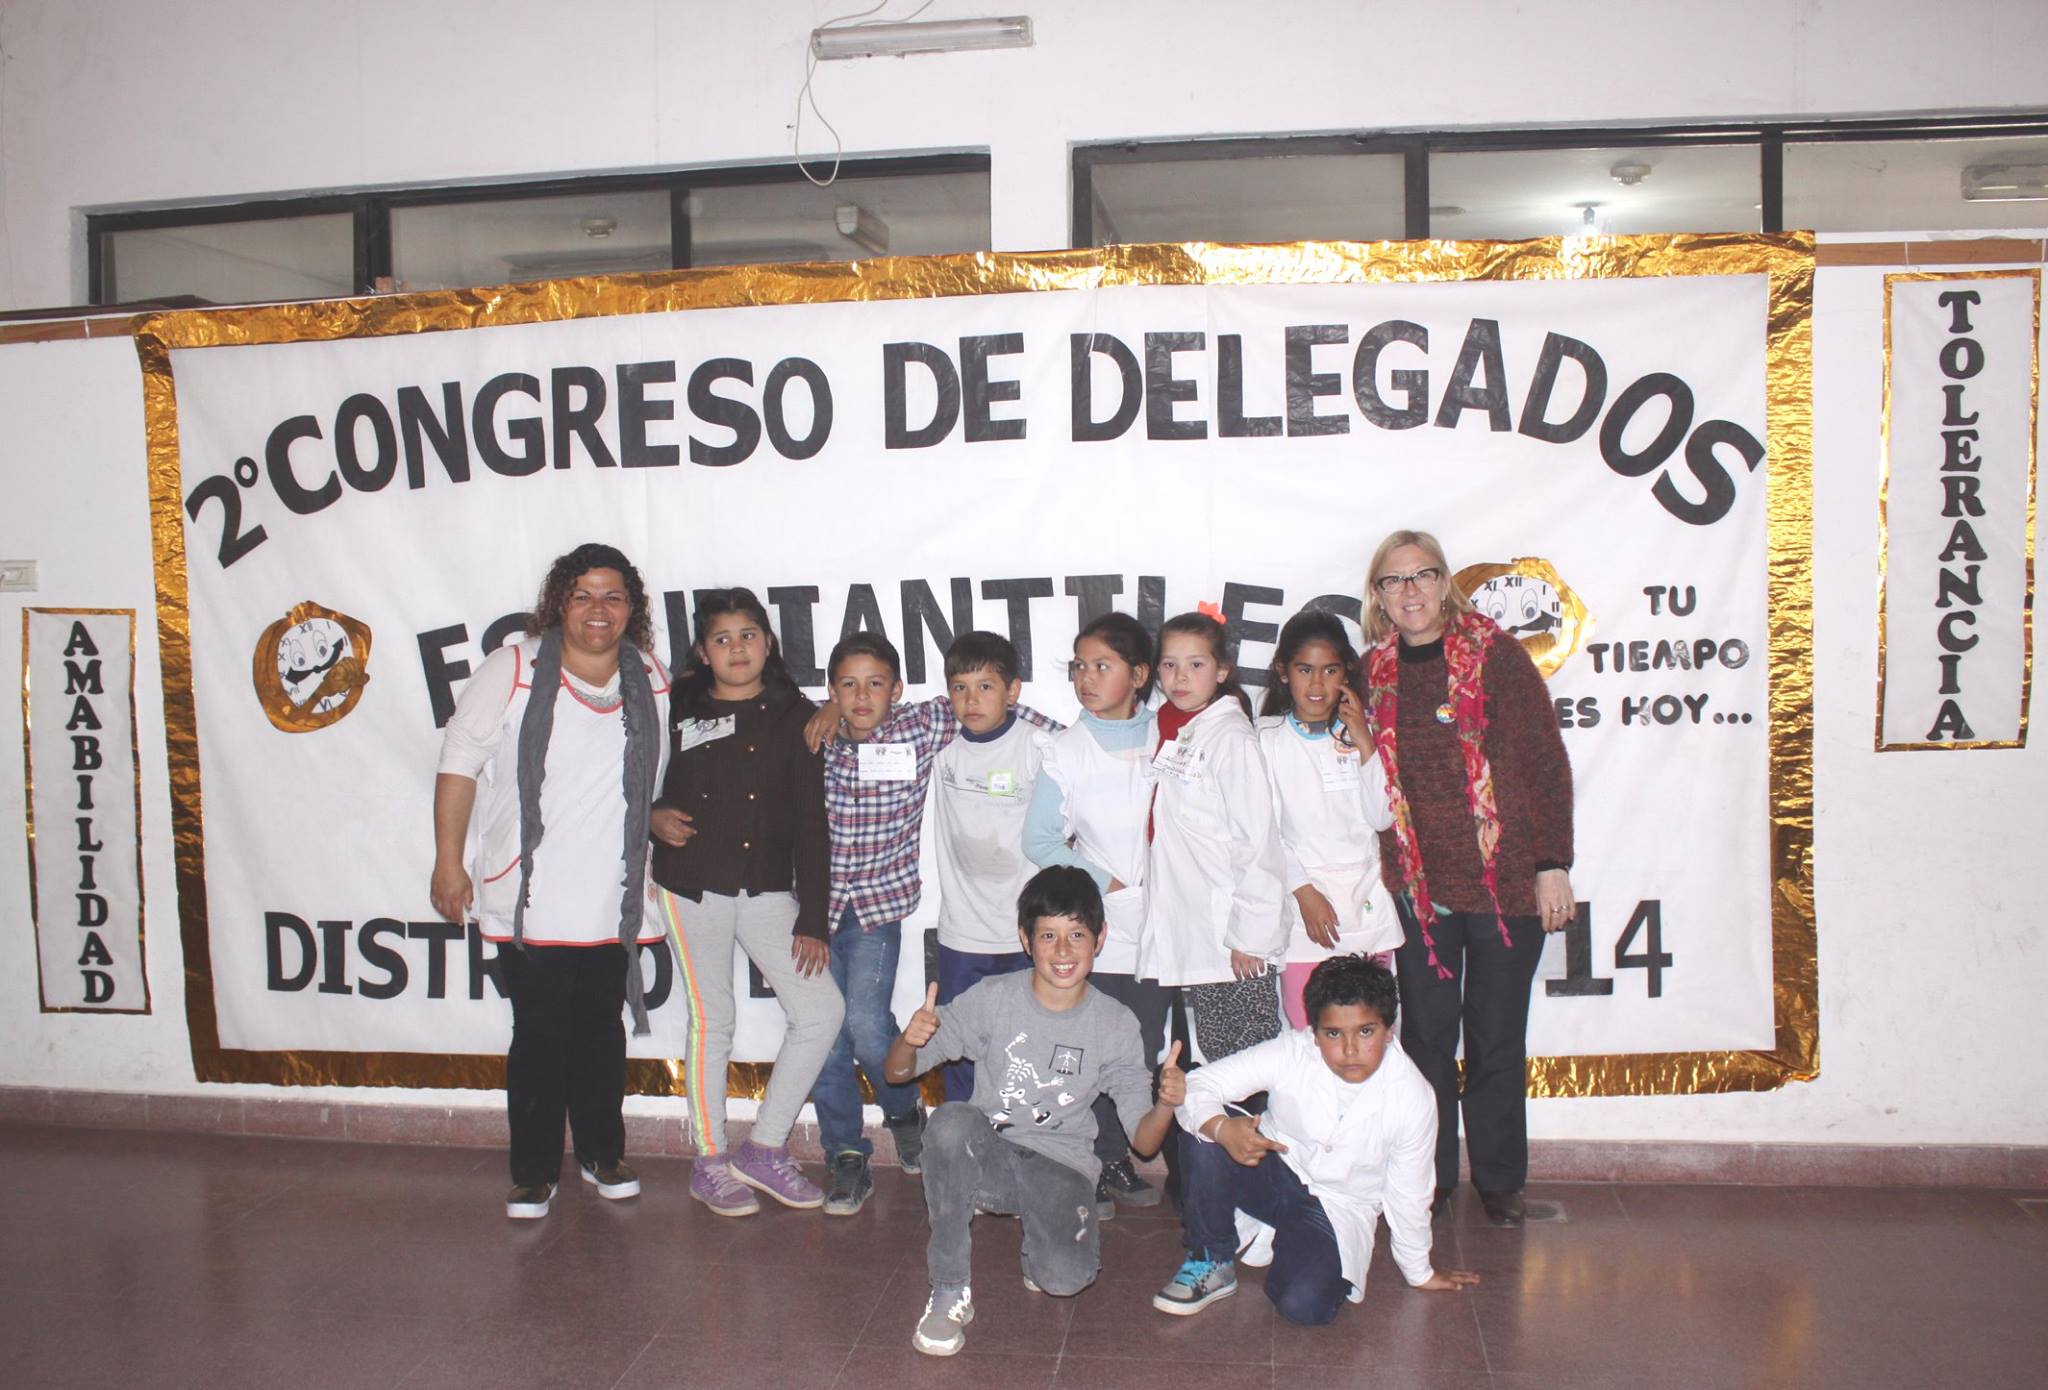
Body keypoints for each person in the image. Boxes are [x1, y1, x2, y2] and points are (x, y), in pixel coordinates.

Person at [429, 542, 670, 1220]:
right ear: (559, 602)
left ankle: (602, 1154)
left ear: (632, 608)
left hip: (613, 895)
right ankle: (534, 1173)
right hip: (528, 895)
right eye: (583, 594)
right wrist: (448, 861)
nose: (598, 608)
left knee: (601, 1031)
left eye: (613, 596)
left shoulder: (650, 675)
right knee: (538, 1034)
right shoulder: (512, 668)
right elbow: (459, 763)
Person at [1361, 529, 1575, 1227]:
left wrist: (1552, 865)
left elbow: (1545, 762)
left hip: (1506, 884)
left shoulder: (1496, 656)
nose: (1411, 591)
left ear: (1444, 582)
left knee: (1495, 1037)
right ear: (1378, 596)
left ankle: (1501, 1181)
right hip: (1417, 890)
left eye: (1424, 575)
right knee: (1425, 1040)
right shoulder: (1368, 674)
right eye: (1394, 580)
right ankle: (1428, 1178)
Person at [802, 631, 1056, 1216]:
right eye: (847, 686)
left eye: (875, 684)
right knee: (822, 1034)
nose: (861, 697)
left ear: (897, 690)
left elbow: (1004, 708)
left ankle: (903, 1111)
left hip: (877, 909)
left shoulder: (921, 726)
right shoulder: (811, 736)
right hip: (813, 910)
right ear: (830, 691)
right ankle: (846, 1153)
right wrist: (823, 712)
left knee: (867, 1025)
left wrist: (1090, 737)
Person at [887, 866, 1182, 1357]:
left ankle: (1042, 1239)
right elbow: (899, 1072)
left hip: (1063, 1165)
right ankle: (949, 1289)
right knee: (950, 1122)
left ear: (1100, 938)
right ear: (1026, 940)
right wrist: (908, 1039)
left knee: (1065, 1280)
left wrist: (1166, 1104)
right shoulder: (993, 998)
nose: (1063, 951)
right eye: (1048, 935)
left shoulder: (1115, 1023)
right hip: (992, 1152)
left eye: (1077, 935)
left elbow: (1145, 1143)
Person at [647, 588, 844, 1217]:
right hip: (690, 883)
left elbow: (812, 825)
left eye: (749, 635)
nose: (737, 648)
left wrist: (813, 918)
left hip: (766, 888)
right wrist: (651, 815)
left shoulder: (798, 714)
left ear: (769, 643)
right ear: (703, 652)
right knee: (714, 1020)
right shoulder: (675, 704)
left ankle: (763, 1149)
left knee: (821, 1011)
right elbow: (633, 775)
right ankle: (709, 1160)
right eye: (723, 638)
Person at [1154, 955, 1480, 1324]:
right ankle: (1211, 1259)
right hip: (1271, 1169)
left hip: (1338, 1206)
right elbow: (1199, 1084)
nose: (1350, 1050)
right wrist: (1221, 1129)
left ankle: (1299, 1248)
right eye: (1333, 1034)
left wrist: (1419, 1270)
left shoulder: (1413, 1096)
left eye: (1366, 1032)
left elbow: (1410, 1191)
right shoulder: (1293, 1051)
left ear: (1390, 1030)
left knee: (1304, 1306)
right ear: (1314, 1033)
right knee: (1205, 1131)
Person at [1023, 611, 1171, 1215]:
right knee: (1094, 1048)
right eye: (1080, 666)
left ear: (1139, 675)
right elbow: (1040, 841)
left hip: (1169, 924)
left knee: (1144, 1047)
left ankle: (1125, 1158)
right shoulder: (1066, 749)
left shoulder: (1171, 733)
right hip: (1106, 927)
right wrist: (1111, 885)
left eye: (1102, 666)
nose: (1086, 678)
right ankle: (1089, 1160)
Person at [1139, 613, 1289, 1065]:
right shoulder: (1168, 726)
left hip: (1233, 938)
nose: (1180, 677)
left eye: (1196, 665)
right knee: (1207, 1058)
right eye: (1169, 665)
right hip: (1192, 926)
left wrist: (1252, 936)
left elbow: (1257, 840)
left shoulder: (1231, 737)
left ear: (1222, 671)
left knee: (1245, 1065)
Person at [929, 631, 1060, 1102]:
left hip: (1025, 935)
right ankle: (963, 1137)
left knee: (1029, 1050)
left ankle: (1026, 1137)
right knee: (960, 1051)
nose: (971, 700)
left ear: (1013, 690)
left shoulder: (1040, 746)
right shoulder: (939, 742)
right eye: (960, 688)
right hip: (962, 936)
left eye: (985, 686)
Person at [1256, 610, 1401, 1029]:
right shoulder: (1265, 738)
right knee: (1310, 1033)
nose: (1317, 684)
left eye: (1329, 670)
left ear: (1347, 672)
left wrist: (1365, 741)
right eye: (1305, 670)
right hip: (1304, 909)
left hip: (1367, 907)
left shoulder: (1366, 733)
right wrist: (1304, 893)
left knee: (1369, 1034)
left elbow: (1382, 817)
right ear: (1283, 672)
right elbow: (1264, 832)